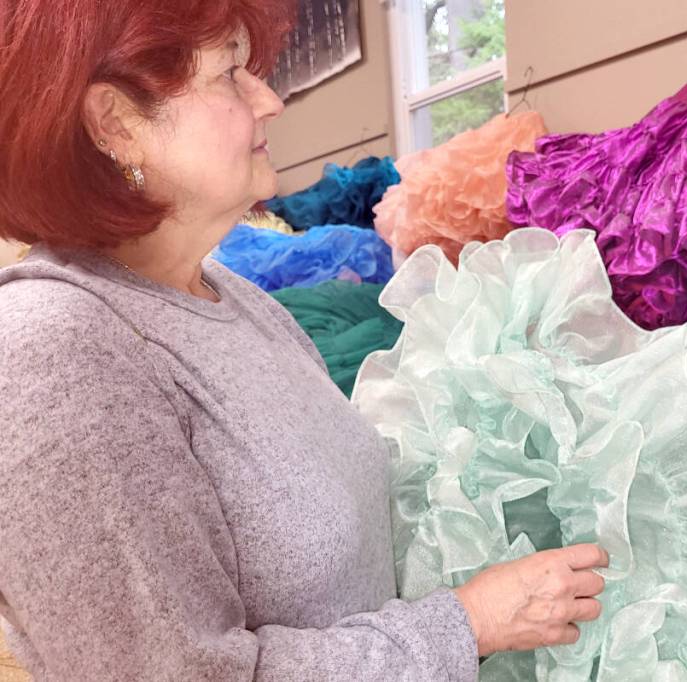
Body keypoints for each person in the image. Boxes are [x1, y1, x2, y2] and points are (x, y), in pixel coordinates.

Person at [0, 1, 608, 679]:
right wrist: (467, 622)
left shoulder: (241, 303)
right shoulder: (56, 353)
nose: (270, 101)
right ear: (115, 126)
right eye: (232, 73)